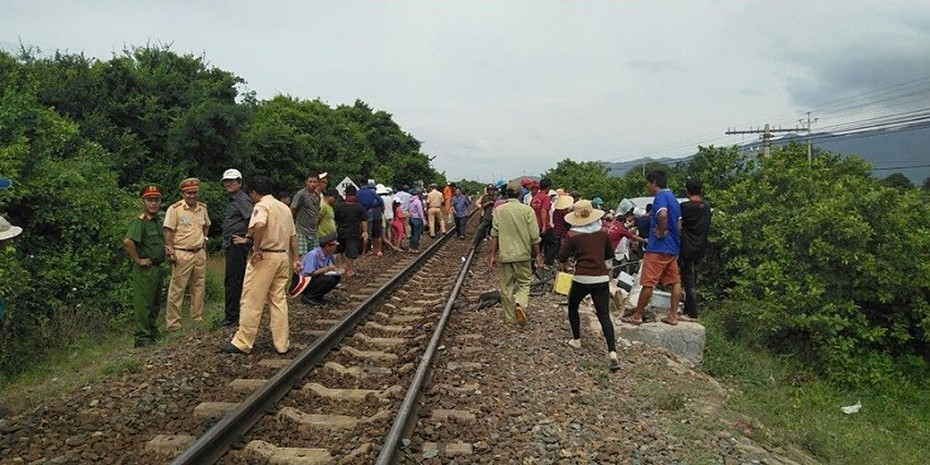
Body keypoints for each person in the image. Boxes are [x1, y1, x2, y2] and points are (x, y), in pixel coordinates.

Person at [221, 176, 300, 355]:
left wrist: (256, 247)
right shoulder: (284, 208)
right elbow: (292, 237)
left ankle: (243, 341)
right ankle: (282, 343)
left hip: (266, 256)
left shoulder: (262, 206)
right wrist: (295, 259)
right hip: (282, 257)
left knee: (251, 299)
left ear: (254, 193)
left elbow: (259, 225)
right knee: (278, 300)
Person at [558, 199, 620, 372]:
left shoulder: (572, 235)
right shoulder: (603, 233)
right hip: (601, 278)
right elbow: (610, 254)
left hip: (582, 278)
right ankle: (612, 352)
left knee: (572, 306)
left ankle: (577, 340)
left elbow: (562, 256)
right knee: (604, 315)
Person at [624, 171, 682, 326]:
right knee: (675, 281)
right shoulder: (674, 200)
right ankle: (672, 316)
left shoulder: (660, 197)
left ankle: (637, 315)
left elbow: (662, 215)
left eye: (648, 183)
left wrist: (661, 232)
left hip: (657, 248)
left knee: (649, 282)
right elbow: (679, 224)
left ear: (654, 182)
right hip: (673, 248)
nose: (647, 186)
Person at [489, 179, 543, 326]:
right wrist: (538, 255)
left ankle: (509, 318)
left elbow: (495, 234)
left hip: (505, 255)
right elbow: (534, 236)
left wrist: (493, 255)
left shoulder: (499, 211)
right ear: (520, 194)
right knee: (525, 283)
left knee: (506, 286)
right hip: (523, 254)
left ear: (507, 193)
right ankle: (521, 304)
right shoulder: (527, 210)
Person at [163, 177, 210, 330]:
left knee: (199, 286)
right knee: (177, 288)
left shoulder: (202, 208)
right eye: (188, 193)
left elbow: (206, 226)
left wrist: (204, 240)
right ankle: (173, 323)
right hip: (182, 253)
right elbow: (168, 230)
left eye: (194, 192)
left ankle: (197, 317)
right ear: (183, 193)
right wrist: (169, 249)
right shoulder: (175, 209)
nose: (191, 196)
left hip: (199, 253)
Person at [123, 185, 166, 348]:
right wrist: (138, 260)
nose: (153, 203)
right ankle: (142, 337)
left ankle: (151, 330)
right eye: (150, 200)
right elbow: (128, 242)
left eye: (156, 200)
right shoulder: (140, 221)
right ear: (144, 202)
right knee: (144, 303)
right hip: (145, 270)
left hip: (157, 267)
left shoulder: (156, 221)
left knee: (155, 302)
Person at [221, 168, 253, 327]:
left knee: (233, 280)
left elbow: (254, 220)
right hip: (231, 244)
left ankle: (232, 317)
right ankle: (232, 315)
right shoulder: (233, 199)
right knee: (231, 280)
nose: (228, 184)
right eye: (226, 181)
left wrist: (247, 239)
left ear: (239, 182)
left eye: (231, 181)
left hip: (237, 245)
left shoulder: (242, 199)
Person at [679, 179, 712, 320]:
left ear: (687, 190)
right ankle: (687, 309)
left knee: (688, 279)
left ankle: (692, 313)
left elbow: (678, 226)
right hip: (701, 247)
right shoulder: (706, 206)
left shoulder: (684, 206)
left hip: (687, 246)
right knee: (693, 278)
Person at [290, 233, 342, 305]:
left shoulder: (328, 254)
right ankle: (309, 297)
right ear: (327, 246)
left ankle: (318, 296)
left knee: (336, 278)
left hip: (313, 279)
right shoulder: (313, 254)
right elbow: (309, 273)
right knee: (328, 280)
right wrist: (326, 269)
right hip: (303, 282)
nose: (336, 247)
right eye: (335, 245)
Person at [334, 185, 368, 277]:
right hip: (353, 232)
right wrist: (365, 232)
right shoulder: (359, 207)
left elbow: (335, 219)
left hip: (340, 231)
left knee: (340, 250)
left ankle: (341, 267)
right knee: (350, 251)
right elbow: (364, 220)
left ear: (346, 194)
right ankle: (350, 270)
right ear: (355, 195)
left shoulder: (339, 206)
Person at [291, 172, 321, 256]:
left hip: (313, 231)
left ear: (318, 183)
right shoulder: (301, 194)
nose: (312, 184)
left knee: (314, 256)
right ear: (306, 182)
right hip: (302, 231)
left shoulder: (317, 196)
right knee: (302, 257)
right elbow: (293, 209)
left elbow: (317, 212)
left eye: (314, 182)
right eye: (310, 181)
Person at [531, 178, 553, 267]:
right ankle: (547, 262)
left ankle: (534, 265)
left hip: (535, 225)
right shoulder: (546, 197)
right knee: (554, 244)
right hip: (545, 226)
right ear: (548, 187)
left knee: (538, 245)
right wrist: (544, 225)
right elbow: (544, 210)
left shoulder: (534, 198)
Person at [408, 188, 425, 252]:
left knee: (412, 233)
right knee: (416, 234)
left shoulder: (410, 200)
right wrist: (424, 220)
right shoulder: (417, 201)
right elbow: (420, 212)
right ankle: (415, 248)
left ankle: (411, 247)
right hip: (417, 219)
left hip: (411, 218)